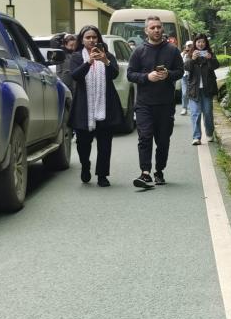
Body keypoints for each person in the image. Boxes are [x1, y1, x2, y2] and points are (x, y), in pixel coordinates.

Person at [127, 15, 183, 189]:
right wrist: (147, 77)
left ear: (162, 29)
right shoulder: (138, 51)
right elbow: (130, 74)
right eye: (152, 28)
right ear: (146, 31)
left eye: (159, 27)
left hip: (165, 103)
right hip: (144, 103)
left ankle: (159, 170)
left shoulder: (172, 50)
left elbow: (180, 71)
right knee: (145, 137)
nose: (156, 30)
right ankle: (145, 173)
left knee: (163, 140)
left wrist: (169, 75)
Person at [68, 26, 123, 187]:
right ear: (82, 40)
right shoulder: (77, 56)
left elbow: (114, 74)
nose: (91, 40)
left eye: (94, 37)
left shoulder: (107, 55)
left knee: (105, 144)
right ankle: (85, 166)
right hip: (84, 108)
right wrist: (89, 62)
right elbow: (75, 76)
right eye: (88, 37)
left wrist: (105, 61)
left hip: (106, 105)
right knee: (83, 144)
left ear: (98, 39)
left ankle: (102, 175)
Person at [184, 33, 219, 145]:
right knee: (195, 113)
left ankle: (209, 133)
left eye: (203, 42)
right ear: (195, 43)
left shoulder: (210, 54)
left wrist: (209, 59)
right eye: (198, 42)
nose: (201, 44)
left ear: (205, 43)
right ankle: (196, 137)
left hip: (207, 89)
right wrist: (193, 59)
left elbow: (216, 66)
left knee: (208, 113)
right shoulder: (190, 54)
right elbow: (186, 68)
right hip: (194, 89)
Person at [180, 40, 193, 115]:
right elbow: (179, 63)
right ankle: (184, 108)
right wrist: (184, 55)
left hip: (193, 76)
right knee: (185, 92)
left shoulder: (195, 53)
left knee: (192, 92)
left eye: (191, 45)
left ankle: (192, 107)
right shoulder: (182, 54)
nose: (189, 47)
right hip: (184, 76)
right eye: (188, 46)